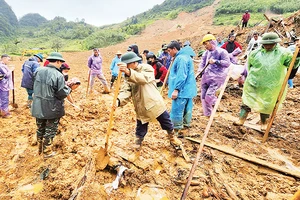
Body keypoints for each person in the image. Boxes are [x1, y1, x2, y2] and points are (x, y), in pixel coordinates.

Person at [115, 52, 182, 152]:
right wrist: (118, 101)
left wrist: (129, 72)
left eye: (127, 65)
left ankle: (172, 137)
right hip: (140, 105)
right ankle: (138, 141)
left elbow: (143, 79)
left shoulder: (146, 68)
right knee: (141, 125)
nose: (126, 67)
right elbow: (126, 90)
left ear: (133, 63)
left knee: (165, 121)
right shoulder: (127, 75)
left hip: (154, 103)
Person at [233, 32, 293, 130]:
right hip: (254, 81)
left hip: (271, 85)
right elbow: (249, 66)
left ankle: (264, 123)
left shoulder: (284, 53)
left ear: (275, 43)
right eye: (265, 44)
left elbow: (291, 65)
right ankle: (241, 119)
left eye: (270, 44)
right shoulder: (255, 53)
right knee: (247, 100)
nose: (267, 46)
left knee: (266, 104)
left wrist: (298, 56)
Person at [31, 52, 71, 158]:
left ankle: (40, 149)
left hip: (38, 105)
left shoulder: (38, 70)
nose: (61, 64)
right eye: (61, 62)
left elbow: (33, 84)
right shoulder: (58, 75)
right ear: (58, 61)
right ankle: (47, 151)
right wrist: (70, 89)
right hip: (52, 107)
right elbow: (61, 93)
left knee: (40, 127)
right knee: (51, 129)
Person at [167, 41, 197, 135]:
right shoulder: (185, 56)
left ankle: (175, 129)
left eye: (169, 51)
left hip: (182, 90)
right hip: (188, 89)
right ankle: (185, 125)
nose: (169, 53)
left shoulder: (181, 58)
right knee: (187, 108)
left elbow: (181, 75)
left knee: (177, 109)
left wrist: (176, 89)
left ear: (174, 49)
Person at [198, 34, 231, 117]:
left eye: (206, 43)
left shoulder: (222, 52)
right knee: (203, 96)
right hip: (206, 77)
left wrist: (216, 61)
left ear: (211, 42)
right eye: (204, 44)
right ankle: (208, 114)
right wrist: (199, 72)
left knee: (209, 96)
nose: (205, 46)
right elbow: (202, 63)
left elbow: (227, 63)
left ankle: (217, 105)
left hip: (217, 77)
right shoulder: (205, 53)